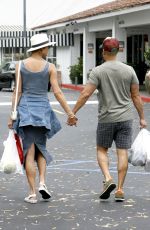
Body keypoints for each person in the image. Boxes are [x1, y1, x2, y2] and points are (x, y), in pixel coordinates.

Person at [68, 37, 147, 202]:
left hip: (106, 118)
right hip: (125, 118)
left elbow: (85, 94)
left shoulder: (98, 71)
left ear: (103, 51)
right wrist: (142, 118)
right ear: (118, 51)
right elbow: (136, 96)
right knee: (122, 152)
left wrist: (73, 112)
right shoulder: (129, 70)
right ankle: (119, 189)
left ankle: (108, 178)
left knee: (102, 150)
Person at [8, 33, 77, 204]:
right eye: (48, 47)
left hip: (25, 111)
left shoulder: (20, 65)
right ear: (42, 48)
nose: (49, 50)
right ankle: (43, 183)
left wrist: (12, 115)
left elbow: (18, 91)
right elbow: (57, 92)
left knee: (29, 152)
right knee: (41, 147)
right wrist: (70, 113)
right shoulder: (50, 67)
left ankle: (32, 193)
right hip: (43, 111)